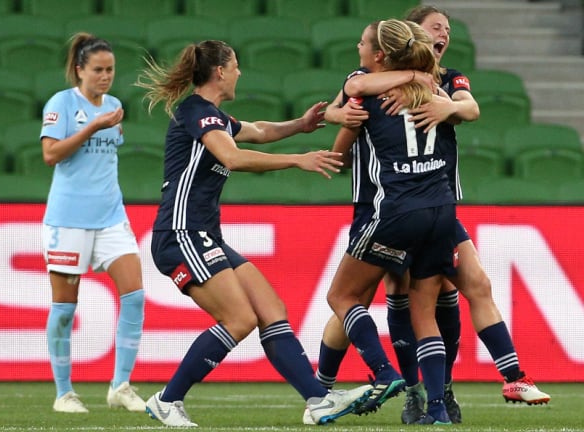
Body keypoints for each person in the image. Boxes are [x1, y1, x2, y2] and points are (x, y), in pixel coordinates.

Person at [318, 5, 550, 424]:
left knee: (367, 297)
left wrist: (449, 106)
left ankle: (430, 390)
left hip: (393, 211)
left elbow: (470, 106)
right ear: (412, 38)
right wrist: (341, 112)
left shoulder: (436, 85)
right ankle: (412, 397)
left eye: (445, 28)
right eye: (433, 29)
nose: (441, 35)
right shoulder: (401, 86)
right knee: (403, 299)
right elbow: (338, 107)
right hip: (429, 208)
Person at [135, 39, 372, 427]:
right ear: (220, 72)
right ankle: (167, 399)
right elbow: (233, 157)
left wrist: (301, 125)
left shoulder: (214, 116)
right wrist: (299, 159)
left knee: (271, 311)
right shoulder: (197, 112)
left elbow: (258, 130)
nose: (240, 72)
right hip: (181, 234)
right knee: (240, 319)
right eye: (236, 65)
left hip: (204, 235)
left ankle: (317, 399)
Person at [319, 19, 458, 425]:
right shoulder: (439, 89)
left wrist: (334, 123)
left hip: (394, 209)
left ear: (381, 55)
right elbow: (469, 110)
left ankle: (384, 373)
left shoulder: (366, 92)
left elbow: (344, 139)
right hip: (442, 208)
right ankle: (436, 409)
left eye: (362, 43)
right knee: (424, 310)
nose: (357, 48)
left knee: (343, 298)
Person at [39, 33, 146, 414]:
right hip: (69, 219)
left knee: (134, 296)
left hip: (111, 216)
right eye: (98, 70)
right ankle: (64, 393)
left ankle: (121, 385)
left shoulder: (115, 105)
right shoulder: (62, 103)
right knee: (65, 309)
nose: (105, 77)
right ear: (80, 70)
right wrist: (91, 128)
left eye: (110, 70)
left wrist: (104, 124)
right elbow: (51, 154)